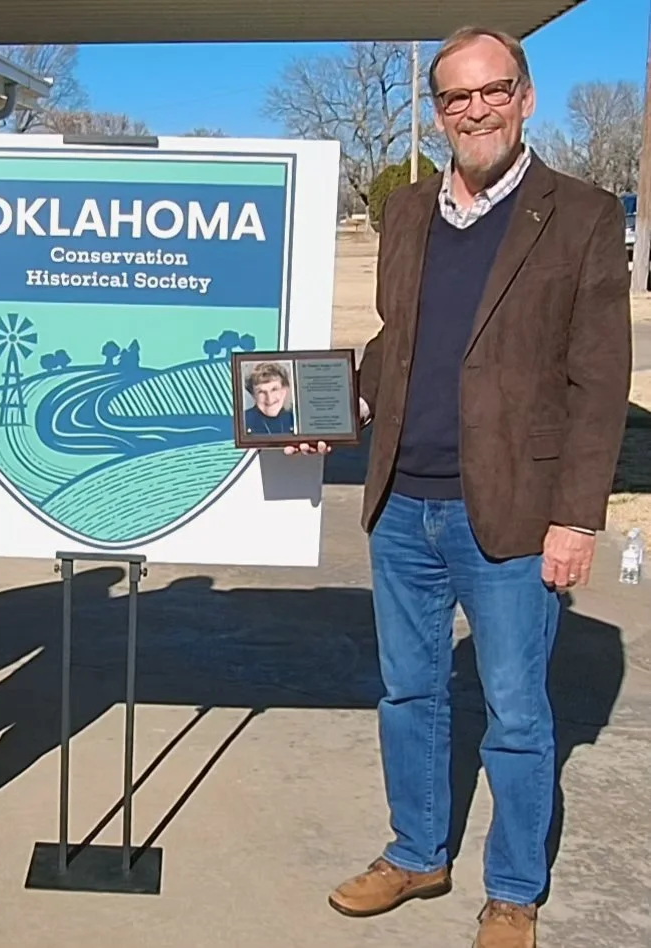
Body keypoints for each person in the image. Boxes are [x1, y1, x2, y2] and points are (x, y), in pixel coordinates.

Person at [289, 26, 631, 948]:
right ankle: (417, 853)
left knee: (517, 714)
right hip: (403, 502)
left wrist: (576, 517)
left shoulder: (584, 214)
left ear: (524, 97)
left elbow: (600, 384)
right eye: (456, 97)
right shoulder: (407, 213)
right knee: (409, 693)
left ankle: (513, 891)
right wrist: (325, 404)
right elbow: (397, 341)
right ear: (435, 110)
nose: (475, 109)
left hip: (516, 513)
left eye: (493, 91)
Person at [243, 361, 295, 435]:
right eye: (261, 392)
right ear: (253, 395)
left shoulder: (296, 418)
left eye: (274, 389)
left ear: (284, 390)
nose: (269, 399)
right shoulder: (243, 421)